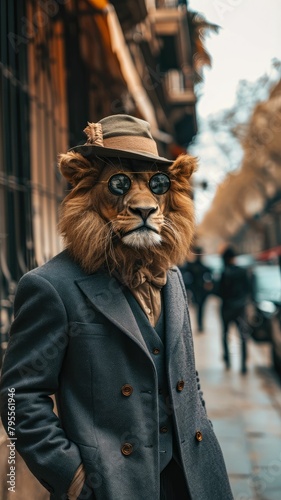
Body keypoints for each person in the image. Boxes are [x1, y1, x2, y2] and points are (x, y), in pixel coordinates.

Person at [0, 115, 233, 500]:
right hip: (114, 484)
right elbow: (15, 398)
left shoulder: (172, 278)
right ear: (89, 192)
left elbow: (185, 379)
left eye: (156, 185)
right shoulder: (50, 286)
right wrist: (72, 477)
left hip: (193, 477)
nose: (142, 202)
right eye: (119, 184)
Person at [218, 246, 251, 374]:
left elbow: (219, 291)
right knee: (243, 336)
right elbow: (249, 289)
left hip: (227, 308)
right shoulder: (243, 271)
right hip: (240, 308)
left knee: (225, 334)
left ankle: (228, 360)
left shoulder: (224, 273)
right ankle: (243, 365)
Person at [184, 248, 213, 332]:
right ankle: (199, 324)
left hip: (199, 290)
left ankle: (200, 324)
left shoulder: (201, 267)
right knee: (199, 308)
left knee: (200, 308)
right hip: (195, 290)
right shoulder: (193, 266)